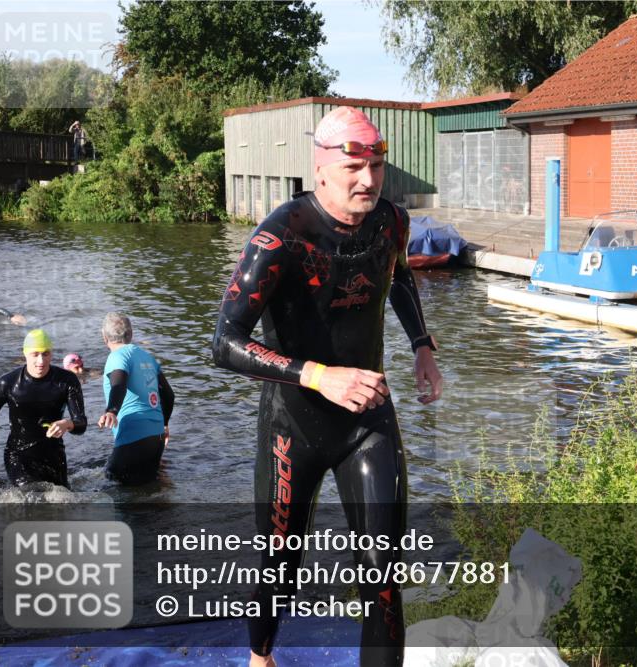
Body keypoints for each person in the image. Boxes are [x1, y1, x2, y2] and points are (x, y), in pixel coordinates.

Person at [212, 106, 442, 667]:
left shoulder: (391, 221)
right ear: (320, 170)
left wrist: (422, 348)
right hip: (294, 424)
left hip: (368, 418)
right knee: (279, 565)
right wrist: (317, 375)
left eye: (378, 166)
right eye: (354, 168)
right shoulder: (281, 235)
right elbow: (224, 341)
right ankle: (261, 657)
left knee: (384, 576)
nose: (369, 180)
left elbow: (399, 278)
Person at [0, 329, 86, 487]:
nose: (41, 361)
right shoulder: (7, 383)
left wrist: (67, 423)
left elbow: (81, 423)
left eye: (46, 354)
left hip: (54, 455)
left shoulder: (67, 381)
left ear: (52, 354)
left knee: (61, 502)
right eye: (35, 354)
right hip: (18, 455)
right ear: (25, 354)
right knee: (31, 498)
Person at [97, 313, 174, 485]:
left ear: (104, 337)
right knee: (148, 487)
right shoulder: (147, 357)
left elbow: (119, 384)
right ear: (130, 335)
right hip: (156, 438)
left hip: (133, 436)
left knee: (113, 483)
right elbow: (168, 395)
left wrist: (111, 411)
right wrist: (164, 424)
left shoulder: (117, 357)